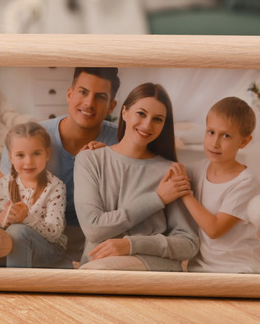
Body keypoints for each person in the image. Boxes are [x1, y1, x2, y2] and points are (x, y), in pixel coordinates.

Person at [0, 67, 121, 264]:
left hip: (96, 244)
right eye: (83, 92)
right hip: (39, 238)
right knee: (12, 233)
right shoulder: (27, 139)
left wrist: (110, 161)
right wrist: (8, 213)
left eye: (100, 97)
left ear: (111, 106)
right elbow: (2, 200)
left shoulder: (122, 140)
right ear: (69, 94)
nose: (89, 103)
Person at [74, 83, 198, 271]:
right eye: (141, 113)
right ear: (125, 112)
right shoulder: (90, 159)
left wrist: (131, 245)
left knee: (98, 273)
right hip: (98, 266)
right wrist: (157, 199)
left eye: (157, 119)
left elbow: (188, 244)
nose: (147, 125)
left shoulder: (170, 171)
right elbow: (94, 229)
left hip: (151, 266)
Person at [178, 96, 260, 274]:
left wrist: (185, 193)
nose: (215, 143)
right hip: (200, 269)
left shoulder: (245, 182)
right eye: (211, 132)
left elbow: (214, 229)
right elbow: (167, 170)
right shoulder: (197, 170)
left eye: (226, 136)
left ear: (244, 142)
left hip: (239, 269)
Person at [0, 122, 67, 268]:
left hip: (50, 250)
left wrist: (25, 218)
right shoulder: (3, 184)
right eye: (20, 155)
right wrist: (2, 217)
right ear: (10, 157)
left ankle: (16, 282)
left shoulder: (55, 187)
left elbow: (54, 232)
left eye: (36, 153)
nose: (28, 162)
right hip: (13, 244)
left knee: (17, 231)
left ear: (47, 154)